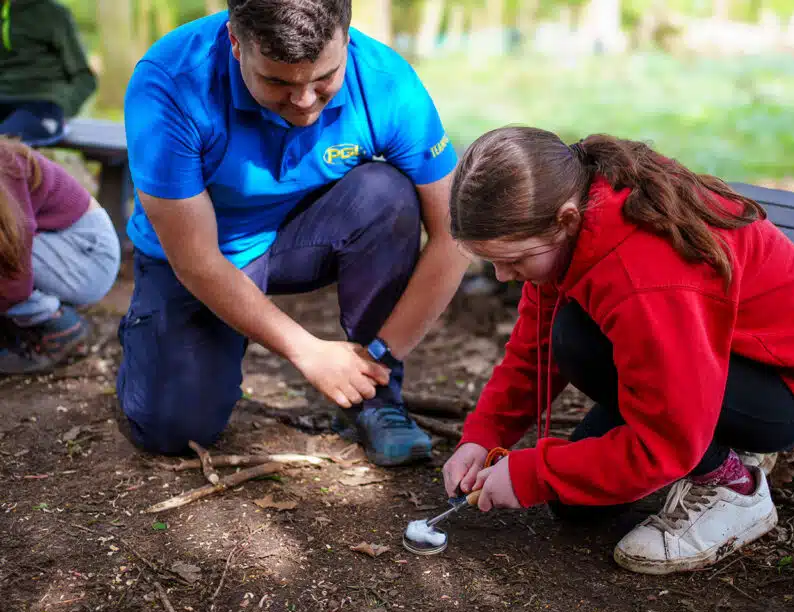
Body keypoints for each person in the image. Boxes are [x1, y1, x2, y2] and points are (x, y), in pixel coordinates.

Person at [442, 126, 794, 575]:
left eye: (514, 260)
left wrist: (532, 474)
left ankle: (735, 488)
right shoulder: (570, 214)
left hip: (785, 388)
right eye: (493, 263)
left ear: (564, 220)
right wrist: (484, 435)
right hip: (706, 355)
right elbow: (533, 347)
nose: (504, 276)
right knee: (574, 503)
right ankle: (719, 442)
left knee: (579, 343)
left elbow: (666, 442)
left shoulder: (643, 274)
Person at [116, 0, 468, 466]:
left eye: (324, 78)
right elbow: (196, 259)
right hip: (203, 255)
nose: (303, 101)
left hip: (297, 237)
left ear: (346, 37)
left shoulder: (387, 83)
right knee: (174, 431)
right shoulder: (171, 84)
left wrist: (378, 357)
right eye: (277, 81)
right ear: (236, 44)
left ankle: (378, 402)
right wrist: (308, 352)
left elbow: (455, 234)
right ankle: (155, 336)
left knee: (387, 194)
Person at [0, 137, 120, 373]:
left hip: (89, 257)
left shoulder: (4, 170)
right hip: (56, 248)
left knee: (5, 265)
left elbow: (15, 276)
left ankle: (62, 327)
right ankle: (21, 326)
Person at [0, 0, 98, 146]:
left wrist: (63, 108)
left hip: (42, 103)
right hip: (4, 98)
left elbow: (85, 77)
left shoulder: (53, 14)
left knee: (5, 148)